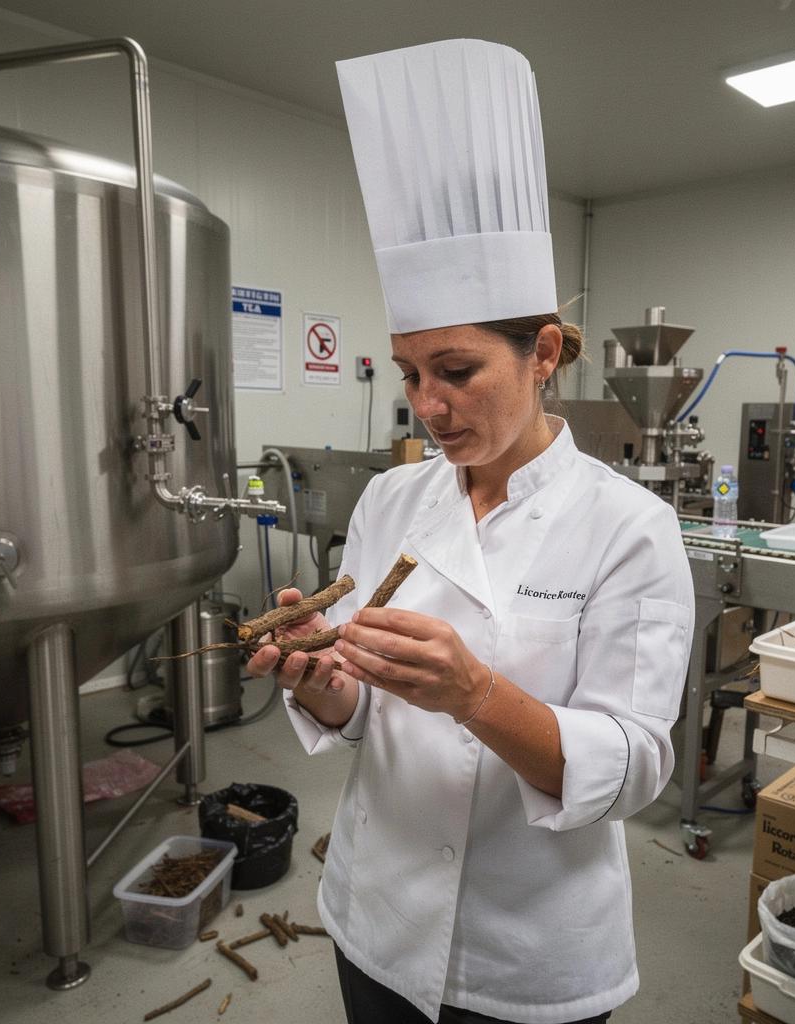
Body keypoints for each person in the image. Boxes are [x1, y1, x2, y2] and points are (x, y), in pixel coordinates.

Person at [248, 39, 693, 1024]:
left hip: (527, 949)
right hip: (374, 916)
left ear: (541, 355)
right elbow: (364, 713)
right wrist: (325, 687)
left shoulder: (630, 527)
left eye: (456, 370)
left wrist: (476, 694)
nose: (428, 407)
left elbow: (636, 765)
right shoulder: (392, 503)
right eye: (410, 374)